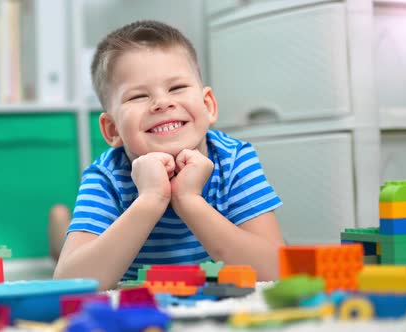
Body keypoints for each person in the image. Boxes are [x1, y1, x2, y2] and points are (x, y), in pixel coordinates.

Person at [51, 20, 284, 290]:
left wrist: (188, 199)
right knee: (66, 253)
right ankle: (60, 228)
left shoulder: (234, 159)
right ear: (112, 129)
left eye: (176, 88)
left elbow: (275, 272)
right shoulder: (106, 176)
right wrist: (151, 199)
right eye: (138, 96)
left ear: (208, 106)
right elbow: (69, 282)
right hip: (128, 277)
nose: (162, 103)